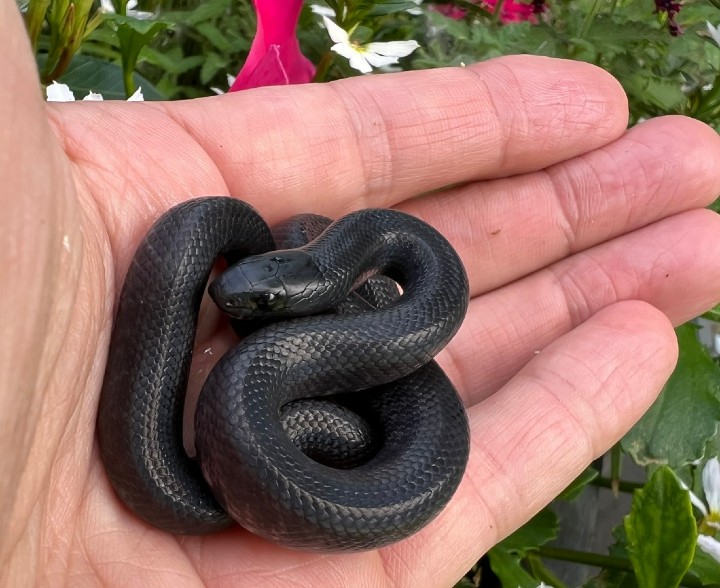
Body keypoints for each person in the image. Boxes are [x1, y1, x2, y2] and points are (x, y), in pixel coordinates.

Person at [2, 1, 720, 585]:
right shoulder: (340, 272)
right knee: (248, 249)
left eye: (265, 306)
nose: (233, 302)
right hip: (223, 424)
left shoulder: (370, 292)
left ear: (322, 278)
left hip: (307, 388)